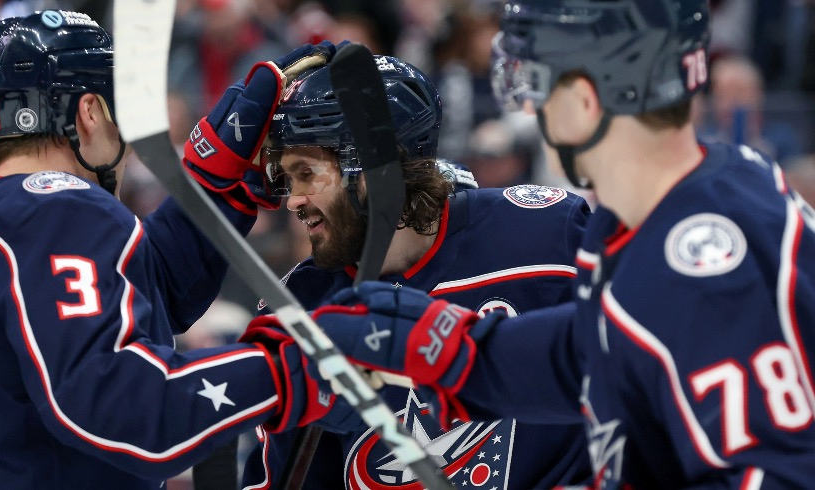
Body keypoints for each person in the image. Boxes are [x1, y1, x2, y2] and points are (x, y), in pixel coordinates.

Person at [289, 0, 815, 488]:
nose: (532, 114)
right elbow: (595, 355)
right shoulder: (642, 219)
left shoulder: (709, 252)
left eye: (538, 90)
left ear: (585, 101)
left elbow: (774, 471)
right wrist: (456, 350)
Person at [0, 10, 339, 488]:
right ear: (90, 111)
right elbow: (119, 407)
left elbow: (136, 298)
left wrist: (217, 184)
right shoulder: (64, 209)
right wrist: (295, 366)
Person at [239, 55, 593, 489]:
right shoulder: (297, 307)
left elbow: (637, 384)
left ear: (376, 164)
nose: (292, 201)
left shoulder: (545, 231)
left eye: (307, 174)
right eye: (286, 180)